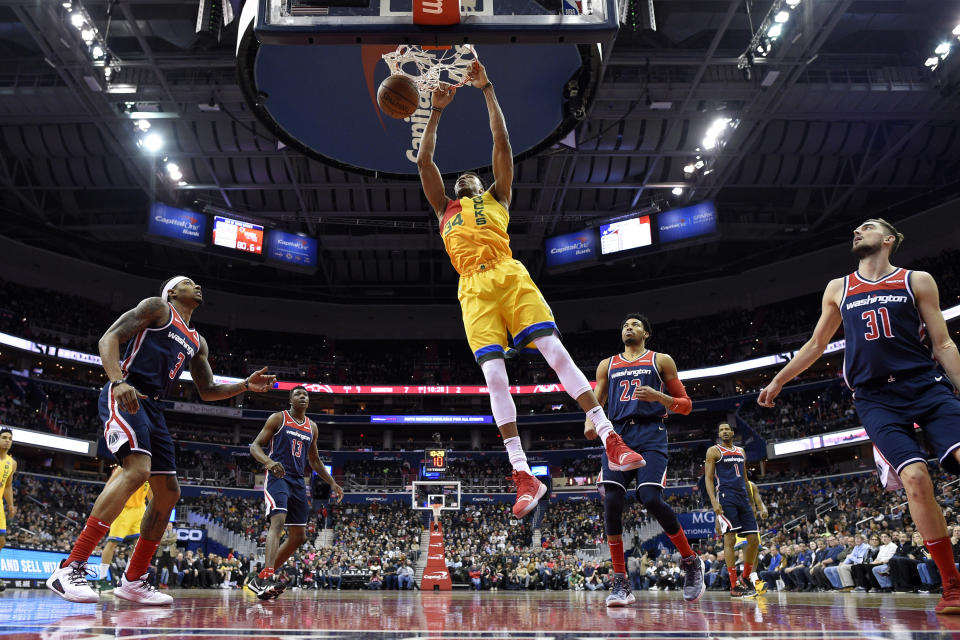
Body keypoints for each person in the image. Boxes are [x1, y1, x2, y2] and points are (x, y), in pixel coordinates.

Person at [416, 62, 644, 520]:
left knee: (553, 351)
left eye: (469, 178)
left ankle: (610, 437)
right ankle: (523, 474)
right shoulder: (444, 206)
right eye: (459, 180)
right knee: (495, 378)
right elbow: (425, 162)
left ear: (483, 183)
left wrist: (487, 87)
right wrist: (434, 112)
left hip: (508, 273)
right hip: (473, 288)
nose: (463, 179)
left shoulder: (498, 196)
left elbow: (501, 142)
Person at [757, 218, 960, 614]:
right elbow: (817, 344)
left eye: (867, 227)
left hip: (925, 384)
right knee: (915, 479)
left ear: (888, 239)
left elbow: (944, 342)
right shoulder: (839, 287)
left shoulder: (916, 280)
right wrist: (779, 380)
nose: (856, 231)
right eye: (856, 229)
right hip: (876, 397)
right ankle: (952, 584)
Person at [45, 276, 276, 605]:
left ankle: (134, 580)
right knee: (137, 471)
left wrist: (243, 386)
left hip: (153, 407)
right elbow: (109, 337)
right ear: (171, 291)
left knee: (168, 493)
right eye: (189, 283)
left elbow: (207, 390)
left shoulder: (198, 340)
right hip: (128, 392)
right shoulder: (157, 308)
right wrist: (117, 381)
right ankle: (71, 567)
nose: (198, 287)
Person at [587, 312, 703, 607]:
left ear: (646, 333)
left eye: (635, 324)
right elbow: (594, 402)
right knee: (612, 501)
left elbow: (686, 406)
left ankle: (690, 561)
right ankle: (620, 581)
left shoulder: (661, 360)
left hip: (651, 433)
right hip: (617, 435)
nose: (629, 328)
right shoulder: (607, 364)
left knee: (649, 497)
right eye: (625, 325)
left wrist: (660, 398)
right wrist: (590, 421)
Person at [247, 385, 343, 600]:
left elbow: (315, 461)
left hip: (299, 481)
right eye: (298, 394)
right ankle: (269, 576)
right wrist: (270, 462)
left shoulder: (312, 427)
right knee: (278, 521)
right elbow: (255, 446)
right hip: (278, 476)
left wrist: (333, 483)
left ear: (308, 401)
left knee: (299, 537)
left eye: (306, 394)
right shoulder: (278, 418)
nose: (303, 396)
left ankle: (259, 580)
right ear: (290, 400)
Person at [704, 422, 759, 598]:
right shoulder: (714, 451)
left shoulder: (741, 451)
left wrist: (751, 502)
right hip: (726, 497)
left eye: (727, 429)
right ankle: (734, 584)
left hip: (743, 497)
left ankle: (745, 577)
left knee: (754, 540)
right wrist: (714, 502)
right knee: (730, 540)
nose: (724, 431)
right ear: (719, 434)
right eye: (721, 430)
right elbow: (709, 478)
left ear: (733, 432)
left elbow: (744, 478)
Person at [96, 466, 152, 593]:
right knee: (112, 543)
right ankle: (102, 580)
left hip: (139, 510)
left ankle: (127, 579)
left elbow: (150, 493)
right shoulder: (124, 466)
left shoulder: (151, 471)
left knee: (137, 544)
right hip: (122, 508)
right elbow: (109, 487)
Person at [0, 428, 16, 593]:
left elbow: (8, 485)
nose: (7, 440)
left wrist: (10, 505)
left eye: (10, 438)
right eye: (4, 437)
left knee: (1, 541)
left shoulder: (12, 463)